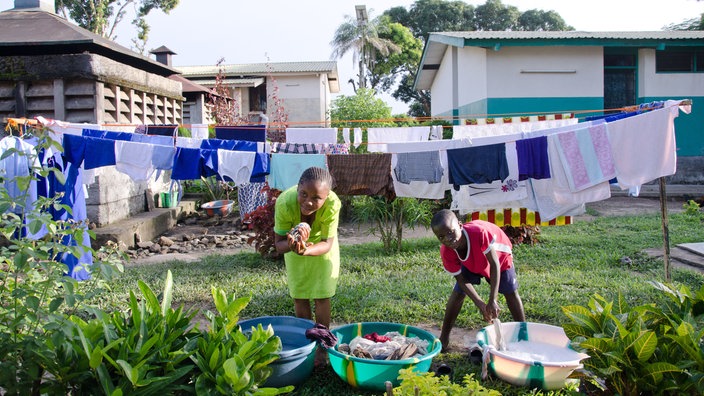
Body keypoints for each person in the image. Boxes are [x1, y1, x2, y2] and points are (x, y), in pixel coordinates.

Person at [430, 209, 525, 351]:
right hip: (472, 261)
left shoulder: (478, 233)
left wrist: (493, 299)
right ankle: (444, 339)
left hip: (499, 256)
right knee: (457, 293)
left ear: (460, 225)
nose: (448, 239)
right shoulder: (447, 251)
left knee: (510, 292)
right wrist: (480, 304)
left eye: (450, 232)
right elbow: (462, 280)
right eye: (441, 237)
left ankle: (524, 334)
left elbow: (494, 264)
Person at [274, 166, 341, 336]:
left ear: (326, 198)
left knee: (322, 296)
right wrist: (294, 245)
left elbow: (327, 243)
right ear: (297, 188)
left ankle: (322, 344)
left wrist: (306, 250)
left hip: (321, 249)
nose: (308, 202)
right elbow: (278, 244)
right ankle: (307, 341)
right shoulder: (285, 203)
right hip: (294, 246)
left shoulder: (333, 205)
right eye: (303, 194)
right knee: (300, 296)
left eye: (317, 198)